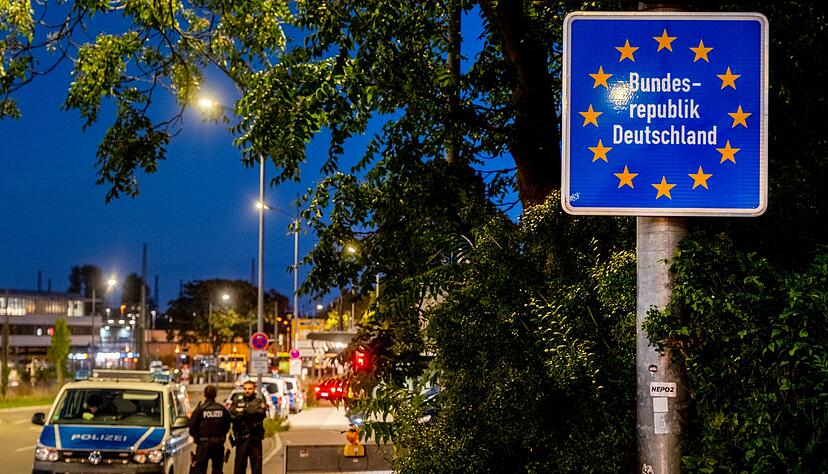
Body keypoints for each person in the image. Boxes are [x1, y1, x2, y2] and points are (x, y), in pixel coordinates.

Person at [189, 385, 231, 474]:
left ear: (205, 394)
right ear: (215, 395)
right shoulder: (222, 409)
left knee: (200, 470)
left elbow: (192, 427)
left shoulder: (200, 410)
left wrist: (197, 439)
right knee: (217, 469)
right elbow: (227, 425)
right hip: (218, 444)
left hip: (203, 445)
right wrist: (221, 436)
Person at [229, 380, 266, 474]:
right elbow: (231, 415)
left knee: (256, 468)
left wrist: (243, 412)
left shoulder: (258, 401)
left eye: (250, 389)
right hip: (241, 439)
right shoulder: (238, 401)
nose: (247, 391)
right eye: (245, 389)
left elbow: (260, 414)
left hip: (255, 439)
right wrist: (243, 415)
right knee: (239, 468)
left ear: (254, 389)